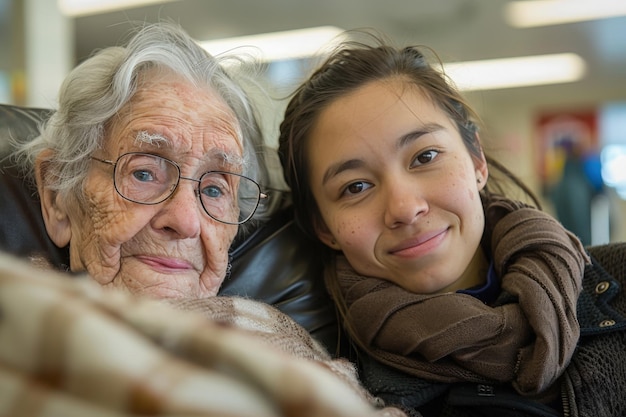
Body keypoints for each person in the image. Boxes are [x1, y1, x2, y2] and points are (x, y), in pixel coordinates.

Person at [4, 22, 407, 417]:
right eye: (144, 173)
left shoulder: (280, 342)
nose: (185, 221)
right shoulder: (17, 318)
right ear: (58, 196)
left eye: (214, 189)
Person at [278, 33, 626, 417]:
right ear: (324, 227)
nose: (405, 208)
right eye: (355, 187)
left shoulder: (619, 278)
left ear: (477, 160)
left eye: (425, 156)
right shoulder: (319, 382)